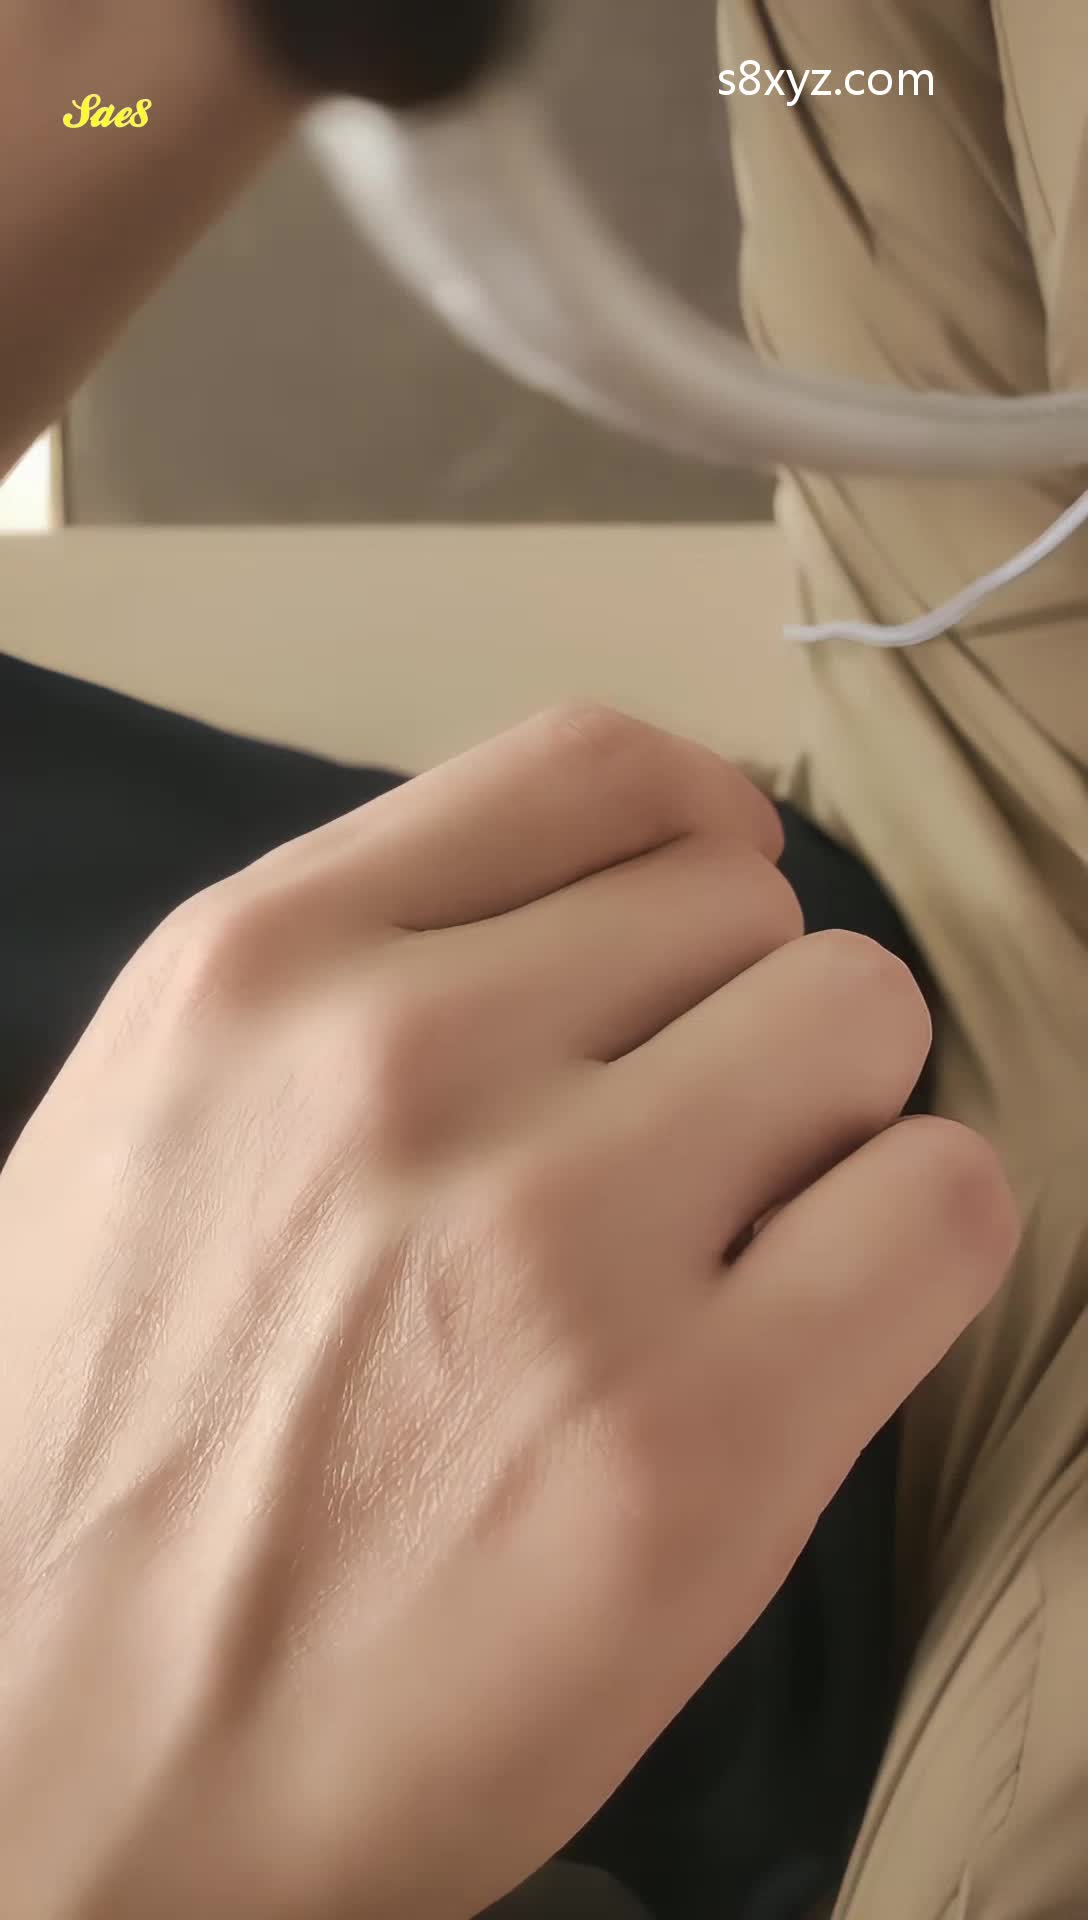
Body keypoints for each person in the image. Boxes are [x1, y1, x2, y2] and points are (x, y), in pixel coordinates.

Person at [0, 7, 1077, 1920]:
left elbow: (106, 76)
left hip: (911, 875)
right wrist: (76, 1824)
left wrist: (202, 36)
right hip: (945, 1649)